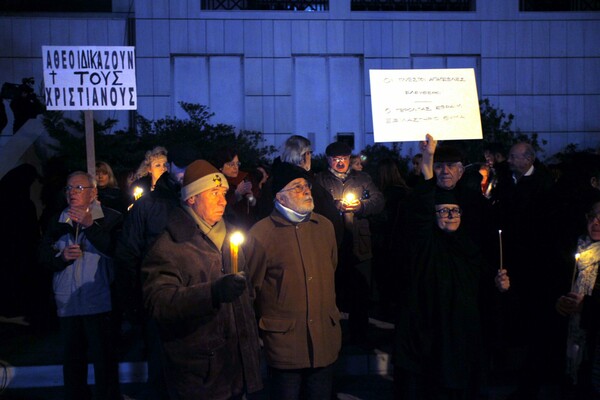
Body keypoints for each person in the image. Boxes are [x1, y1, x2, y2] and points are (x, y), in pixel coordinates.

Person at [394, 134, 510, 400]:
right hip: (427, 313)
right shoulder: (419, 200)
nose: (445, 171)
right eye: (439, 166)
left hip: (464, 317)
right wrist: (426, 165)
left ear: (461, 170)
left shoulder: (475, 203)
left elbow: (487, 255)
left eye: (451, 166)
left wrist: (498, 280)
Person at [141, 160, 262, 400]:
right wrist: (212, 293)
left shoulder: (230, 236)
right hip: (200, 375)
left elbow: (246, 294)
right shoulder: (170, 245)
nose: (223, 201)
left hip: (237, 368)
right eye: (214, 193)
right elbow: (159, 302)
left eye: (224, 193)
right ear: (191, 199)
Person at [247, 162, 341, 400]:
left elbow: (331, 267)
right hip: (285, 344)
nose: (306, 190)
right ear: (280, 196)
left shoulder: (324, 227)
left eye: (306, 185)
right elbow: (251, 288)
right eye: (297, 187)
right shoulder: (261, 234)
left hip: (323, 340)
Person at [38, 171, 123, 400]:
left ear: (93, 192)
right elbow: (43, 257)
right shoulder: (57, 220)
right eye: (69, 188)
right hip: (68, 303)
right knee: (73, 363)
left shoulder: (110, 218)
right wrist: (61, 257)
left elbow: (118, 252)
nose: (72, 193)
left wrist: (89, 226)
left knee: (104, 362)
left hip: (99, 303)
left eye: (78, 188)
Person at [114, 162, 181, 399]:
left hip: (191, 296)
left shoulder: (194, 202)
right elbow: (128, 254)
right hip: (157, 297)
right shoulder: (149, 205)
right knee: (161, 366)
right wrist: (133, 300)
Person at [316, 141, 384, 345]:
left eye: (344, 159)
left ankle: (360, 334)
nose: (340, 163)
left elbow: (379, 201)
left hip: (359, 244)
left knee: (360, 292)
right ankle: (330, 335)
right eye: (336, 160)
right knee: (331, 291)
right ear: (328, 160)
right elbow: (314, 205)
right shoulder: (319, 180)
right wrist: (333, 206)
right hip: (331, 243)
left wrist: (361, 206)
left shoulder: (362, 178)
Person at [555, 200, 600, 399]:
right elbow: (557, 284)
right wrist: (560, 302)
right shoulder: (574, 249)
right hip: (569, 337)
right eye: (592, 217)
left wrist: (586, 305)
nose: (596, 223)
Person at [212, 147, 257, 230]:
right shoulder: (216, 183)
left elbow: (252, 204)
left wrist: (250, 196)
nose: (235, 167)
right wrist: (237, 193)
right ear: (220, 166)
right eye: (231, 164)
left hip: (246, 226)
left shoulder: (242, 179)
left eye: (237, 164)